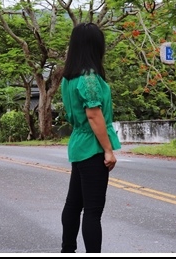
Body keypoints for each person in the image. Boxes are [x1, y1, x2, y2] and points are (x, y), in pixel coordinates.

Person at [60, 22, 121, 253]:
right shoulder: (89, 78)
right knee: (93, 211)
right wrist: (108, 150)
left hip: (78, 144)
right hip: (93, 148)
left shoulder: (69, 78)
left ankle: (67, 250)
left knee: (73, 205)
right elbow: (94, 115)